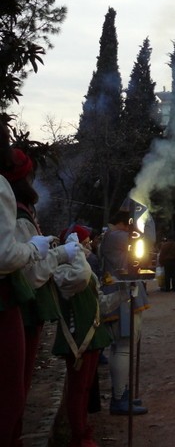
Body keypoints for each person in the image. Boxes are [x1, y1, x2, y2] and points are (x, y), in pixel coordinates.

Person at [4, 146, 76, 444]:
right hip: (21, 308)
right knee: (13, 392)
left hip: (23, 306)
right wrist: (57, 254)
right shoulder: (19, 217)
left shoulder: (21, 213)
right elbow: (28, 272)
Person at [52, 231, 114, 447]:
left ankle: (83, 430)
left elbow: (100, 304)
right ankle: (78, 437)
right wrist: (74, 247)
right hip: (77, 338)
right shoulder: (64, 272)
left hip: (93, 336)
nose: (88, 247)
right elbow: (81, 276)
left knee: (86, 388)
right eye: (83, 244)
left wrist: (124, 293)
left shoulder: (86, 271)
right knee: (78, 390)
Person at [99, 208, 150, 415]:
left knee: (121, 347)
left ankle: (122, 394)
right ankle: (119, 398)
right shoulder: (117, 235)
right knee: (122, 346)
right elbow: (145, 243)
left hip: (121, 290)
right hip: (121, 294)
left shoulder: (112, 235)